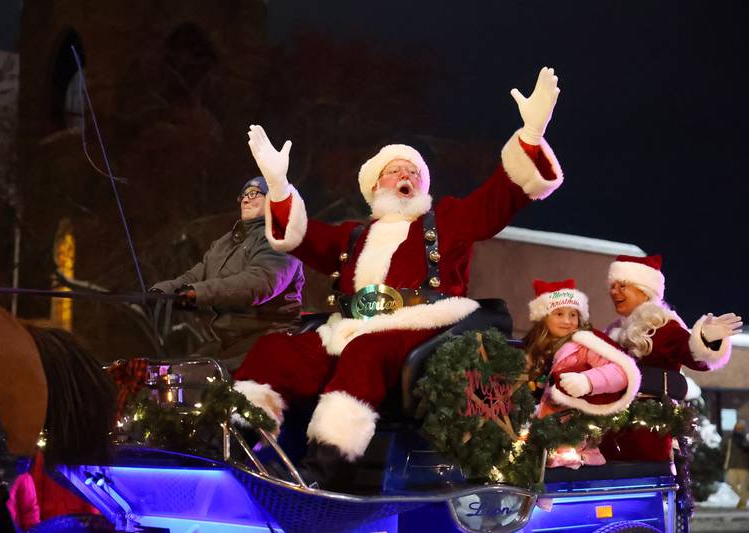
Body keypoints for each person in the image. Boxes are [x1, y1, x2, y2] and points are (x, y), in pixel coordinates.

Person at [231, 67, 564, 490]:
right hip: (349, 330)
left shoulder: (445, 222)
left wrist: (530, 137)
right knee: (275, 349)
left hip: (421, 328)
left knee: (367, 351)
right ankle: (242, 442)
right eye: (395, 171)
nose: (405, 176)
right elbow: (299, 236)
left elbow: (497, 200)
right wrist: (278, 187)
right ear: (375, 185)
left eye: (413, 172)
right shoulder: (354, 233)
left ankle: (325, 467)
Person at [150, 176, 305, 371]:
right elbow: (196, 275)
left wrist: (197, 292)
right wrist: (160, 292)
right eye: (243, 195)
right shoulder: (225, 243)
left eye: (254, 193)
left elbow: (258, 284)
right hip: (227, 343)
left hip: (268, 341)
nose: (245, 200)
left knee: (195, 382)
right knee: (171, 374)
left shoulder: (281, 240)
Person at [600, 254, 742, 461]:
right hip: (611, 430)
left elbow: (696, 358)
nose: (614, 292)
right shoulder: (613, 330)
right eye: (612, 286)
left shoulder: (663, 325)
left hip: (650, 434)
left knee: (646, 486)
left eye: (623, 286)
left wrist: (706, 338)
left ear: (645, 290)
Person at [524, 279, 640, 468]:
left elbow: (620, 372)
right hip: (538, 437)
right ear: (544, 317)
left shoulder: (584, 345)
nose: (568, 321)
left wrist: (587, 381)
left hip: (574, 444)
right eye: (559, 314)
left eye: (573, 315)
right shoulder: (532, 350)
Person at [725, 420, 749, 509]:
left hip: (744, 466)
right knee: (731, 482)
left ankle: (743, 502)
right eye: (737, 427)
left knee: (743, 486)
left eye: (741, 428)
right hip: (732, 464)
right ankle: (745, 497)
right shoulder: (731, 438)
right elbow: (727, 451)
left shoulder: (746, 437)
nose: (739, 429)